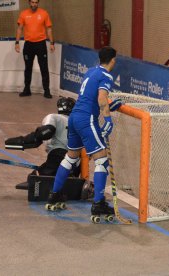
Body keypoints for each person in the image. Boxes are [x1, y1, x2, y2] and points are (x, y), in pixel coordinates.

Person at [46, 46, 118, 221]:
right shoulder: (106, 75)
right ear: (113, 60)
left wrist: (110, 105)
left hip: (75, 117)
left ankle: (54, 194)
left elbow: (91, 97)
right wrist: (108, 120)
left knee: (70, 158)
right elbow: (101, 98)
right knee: (101, 160)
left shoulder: (91, 71)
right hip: (87, 120)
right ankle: (98, 203)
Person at [4, 97, 92, 195]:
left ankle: (50, 179)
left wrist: (21, 141)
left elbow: (45, 132)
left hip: (59, 155)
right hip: (77, 162)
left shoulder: (55, 117)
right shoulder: (79, 123)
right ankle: (70, 176)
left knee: (34, 176)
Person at [15, 0, 54, 99]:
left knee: (44, 68)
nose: (34, 4)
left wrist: (52, 43)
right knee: (28, 68)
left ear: (38, 3)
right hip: (28, 45)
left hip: (41, 44)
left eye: (36, 2)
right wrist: (17, 42)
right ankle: (27, 89)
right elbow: (20, 28)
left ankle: (47, 90)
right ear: (29, 3)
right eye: (32, 2)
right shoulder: (23, 14)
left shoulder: (44, 13)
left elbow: (49, 29)